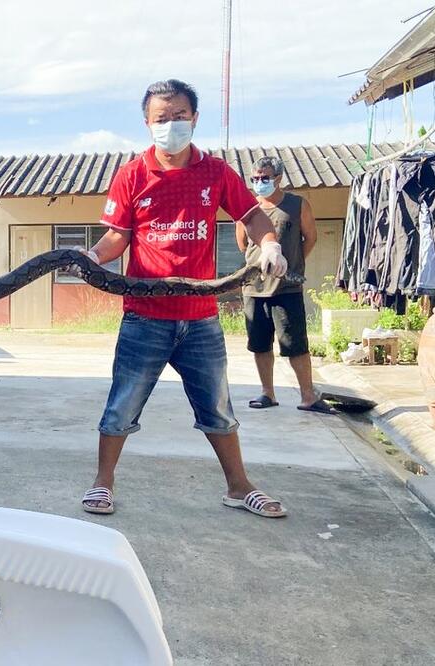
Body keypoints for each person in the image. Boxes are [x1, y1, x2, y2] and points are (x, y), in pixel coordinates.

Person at [80, 79, 290, 519]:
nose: (171, 125)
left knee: (218, 408)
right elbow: (118, 235)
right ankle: (103, 483)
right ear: (147, 124)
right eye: (162, 119)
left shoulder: (215, 173)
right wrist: (92, 256)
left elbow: (251, 215)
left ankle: (239, 486)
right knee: (121, 404)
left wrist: (269, 244)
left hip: (200, 318)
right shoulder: (132, 175)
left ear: (194, 118)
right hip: (145, 316)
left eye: (179, 116)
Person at [236, 156, 332, 414]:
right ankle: (267, 393)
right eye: (255, 178)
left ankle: (308, 396)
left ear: (278, 178)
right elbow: (243, 245)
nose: (259, 182)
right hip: (254, 287)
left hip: (287, 288)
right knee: (259, 343)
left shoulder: (297, 205)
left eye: (264, 178)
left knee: (295, 344)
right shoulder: (248, 209)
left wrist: (291, 264)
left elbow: (309, 239)